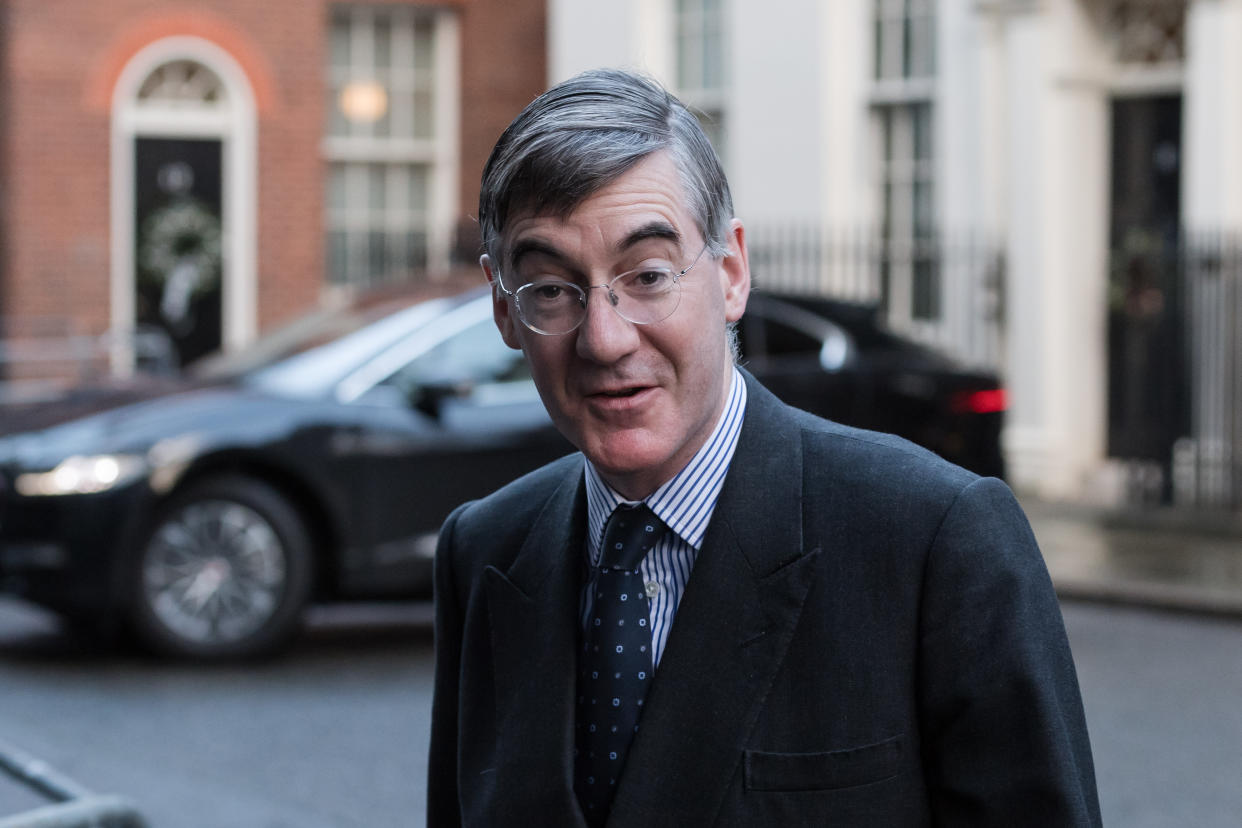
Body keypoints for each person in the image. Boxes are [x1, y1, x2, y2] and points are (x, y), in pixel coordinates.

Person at [428, 68, 1101, 827]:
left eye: (648, 275)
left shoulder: (936, 541)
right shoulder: (483, 550)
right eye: (551, 288)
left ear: (732, 272)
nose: (605, 339)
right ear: (502, 309)